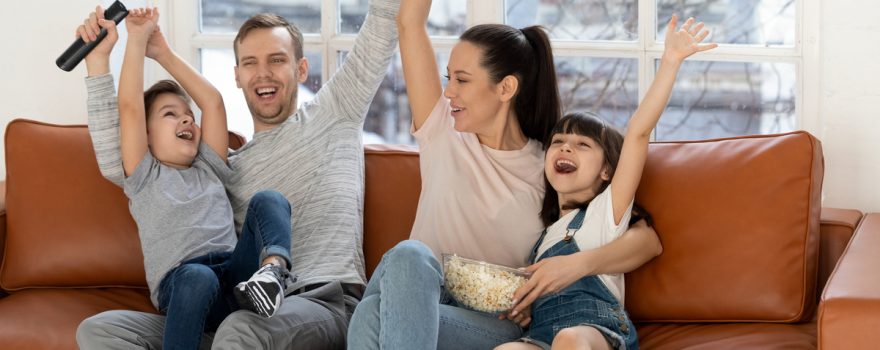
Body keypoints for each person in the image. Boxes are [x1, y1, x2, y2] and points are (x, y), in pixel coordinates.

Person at [74, 0, 400, 348]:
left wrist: (159, 52)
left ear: (301, 69)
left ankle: (273, 272)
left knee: (239, 329)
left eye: (277, 60)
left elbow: (384, 21)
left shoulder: (335, 112)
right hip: (233, 307)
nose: (263, 73)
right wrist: (98, 60)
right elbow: (121, 149)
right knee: (99, 331)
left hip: (320, 302)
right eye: (250, 63)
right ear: (237, 76)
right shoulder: (221, 172)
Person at [346, 0, 663, 349]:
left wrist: (576, 266)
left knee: (373, 312)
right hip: (421, 295)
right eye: (449, 78)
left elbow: (645, 240)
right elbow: (410, 23)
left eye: (462, 80)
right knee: (409, 257)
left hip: (491, 323)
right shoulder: (443, 134)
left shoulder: (551, 165)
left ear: (505, 88)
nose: (449, 92)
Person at [494, 16, 717, 350]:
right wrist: (525, 305)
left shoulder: (605, 213)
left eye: (583, 145)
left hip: (594, 330)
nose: (566, 147)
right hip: (540, 337)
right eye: (558, 142)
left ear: (607, 172)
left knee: (569, 339)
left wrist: (670, 62)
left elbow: (639, 133)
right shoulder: (542, 239)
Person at [103, 7, 293, 349]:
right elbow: (130, 107)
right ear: (145, 135)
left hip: (236, 280)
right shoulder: (144, 175)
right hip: (184, 284)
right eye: (170, 114)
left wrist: (162, 51)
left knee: (270, 200)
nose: (187, 120)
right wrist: (136, 39)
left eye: (189, 116)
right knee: (198, 277)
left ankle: (273, 273)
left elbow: (213, 102)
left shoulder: (208, 166)